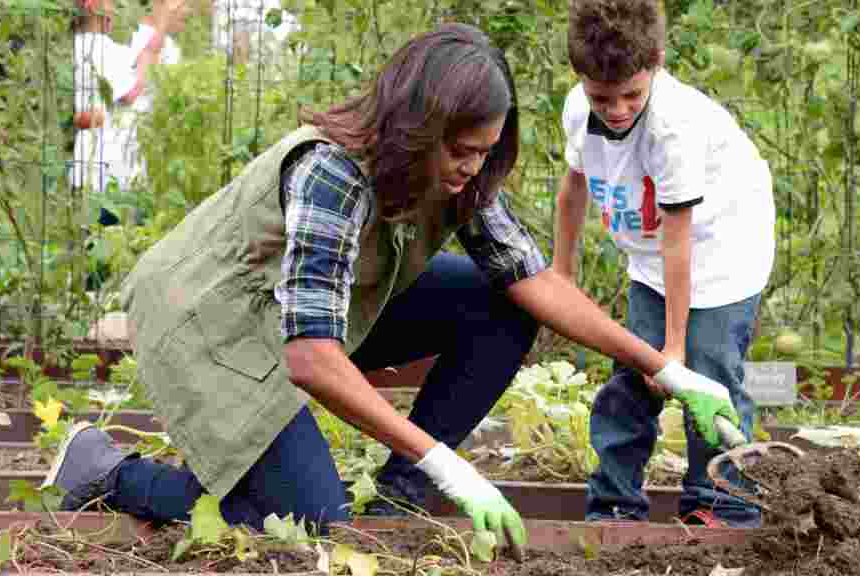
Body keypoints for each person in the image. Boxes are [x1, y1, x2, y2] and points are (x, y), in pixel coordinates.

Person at [43, 23, 741, 555]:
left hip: (300, 311)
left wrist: (666, 370)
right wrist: (444, 461)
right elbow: (310, 356)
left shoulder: (461, 169)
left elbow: (531, 278)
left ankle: (398, 498)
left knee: (497, 303)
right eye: (461, 151)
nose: (472, 167)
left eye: (485, 151)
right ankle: (105, 470)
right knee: (308, 526)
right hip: (211, 324)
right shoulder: (333, 173)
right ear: (417, 128)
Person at [554, 0, 776, 527]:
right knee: (631, 377)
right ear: (580, 77)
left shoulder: (673, 127)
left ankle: (723, 506)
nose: (617, 108)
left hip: (723, 251)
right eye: (602, 96)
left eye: (632, 94)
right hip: (654, 259)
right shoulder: (578, 109)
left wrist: (672, 350)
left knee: (708, 375)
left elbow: (681, 238)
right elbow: (573, 190)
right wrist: (561, 276)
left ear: (655, 64)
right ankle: (613, 506)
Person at [70, 0, 187, 219]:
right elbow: (131, 92)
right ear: (92, 5)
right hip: (109, 174)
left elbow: (140, 57)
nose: (114, 4)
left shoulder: (79, 45)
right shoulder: (99, 49)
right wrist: (162, 24)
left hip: (87, 168)